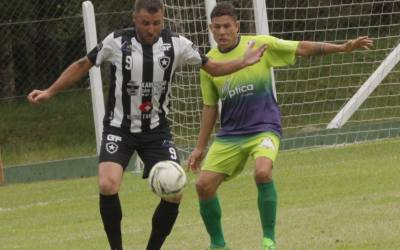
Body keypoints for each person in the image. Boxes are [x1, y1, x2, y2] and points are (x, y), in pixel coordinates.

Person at [26, 1, 266, 249]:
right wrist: (50, 91)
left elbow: (213, 67)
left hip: (156, 131)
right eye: (145, 23)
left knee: (175, 192)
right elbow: (82, 65)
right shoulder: (117, 42)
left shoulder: (177, 44)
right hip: (119, 128)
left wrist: (243, 62)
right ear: (134, 19)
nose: (151, 29)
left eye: (157, 23)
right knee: (108, 184)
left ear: (162, 20)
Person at [188, 2, 373, 250]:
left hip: (264, 127)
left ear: (237, 26)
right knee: (203, 185)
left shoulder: (260, 45)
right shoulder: (208, 64)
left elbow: (301, 48)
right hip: (230, 134)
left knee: (263, 172)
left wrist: (341, 48)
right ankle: (218, 245)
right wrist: (200, 147)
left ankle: (268, 241)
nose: (222, 32)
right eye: (217, 27)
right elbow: (210, 107)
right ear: (210, 28)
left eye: (227, 26)